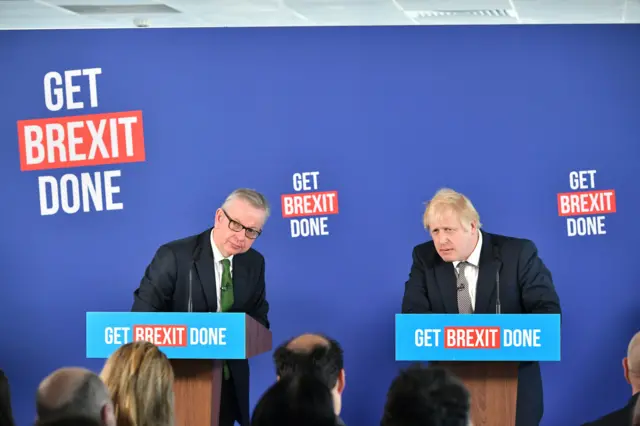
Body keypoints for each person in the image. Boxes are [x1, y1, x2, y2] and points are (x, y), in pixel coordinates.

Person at [401, 188, 561, 426]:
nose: (441, 240)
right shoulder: (424, 258)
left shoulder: (517, 254)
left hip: (513, 390)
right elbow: (413, 321)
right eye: (435, 231)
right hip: (447, 393)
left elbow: (548, 315)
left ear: (473, 226)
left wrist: (492, 337)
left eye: (449, 230)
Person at [131, 188, 271, 426]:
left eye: (251, 231)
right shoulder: (174, 256)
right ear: (219, 217)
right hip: (177, 384)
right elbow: (142, 318)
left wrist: (233, 332)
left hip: (228, 385)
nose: (241, 237)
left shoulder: (254, 263)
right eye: (236, 225)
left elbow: (260, 322)